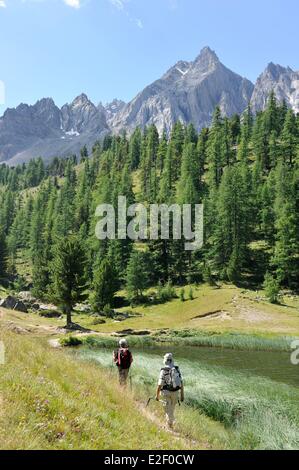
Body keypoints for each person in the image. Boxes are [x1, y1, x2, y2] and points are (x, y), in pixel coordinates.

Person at [155, 353, 184, 429]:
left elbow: (159, 385)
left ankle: (170, 425)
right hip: (175, 392)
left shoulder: (163, 370)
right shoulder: (177, 369)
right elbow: (181, 383)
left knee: (168, 410)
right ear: (172, 361)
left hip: (166, 393)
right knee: (171, 410)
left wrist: (157, 395)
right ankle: (170, 425)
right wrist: (182, 395)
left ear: (165, 361)